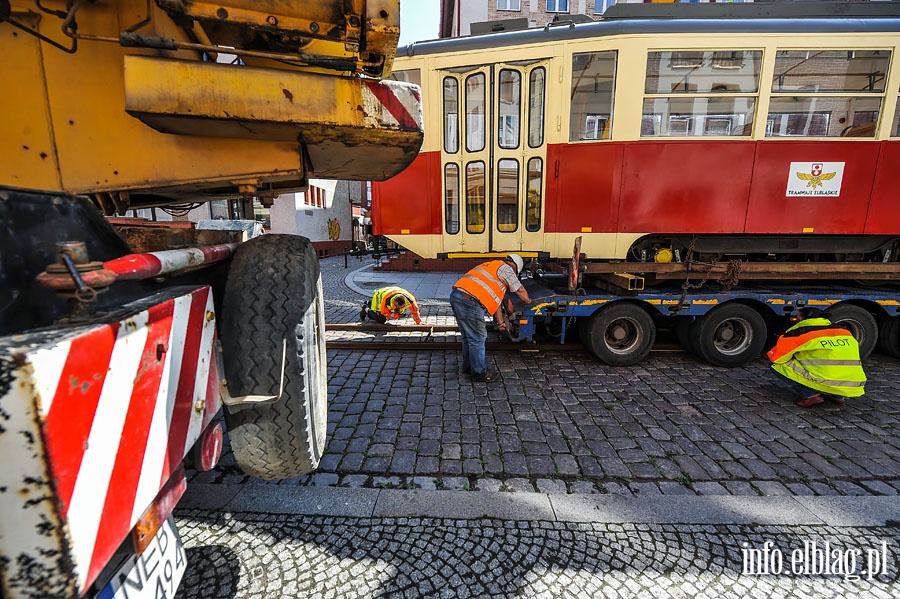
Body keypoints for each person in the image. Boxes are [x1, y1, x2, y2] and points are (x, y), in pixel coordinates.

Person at [449, 254, 531, 382]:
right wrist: (530, 302)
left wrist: (501, 323)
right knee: (478, 337)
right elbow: (519, 290)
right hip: (469, 300)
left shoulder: (493, 266)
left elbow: (496, 302)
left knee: (468, 337)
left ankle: (468, 368)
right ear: (515, 268)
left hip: (457, 295)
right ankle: (479, 373)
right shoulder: (507, 269)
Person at [767, 308, 866, 407]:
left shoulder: (799, 333)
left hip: (827, 381)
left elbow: (777, 358)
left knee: (774, 364)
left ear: (803, 319)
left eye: (797, 317)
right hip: (855, 383)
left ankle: (811, 395)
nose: (795, 319)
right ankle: (837, 397)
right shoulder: (844, 332)